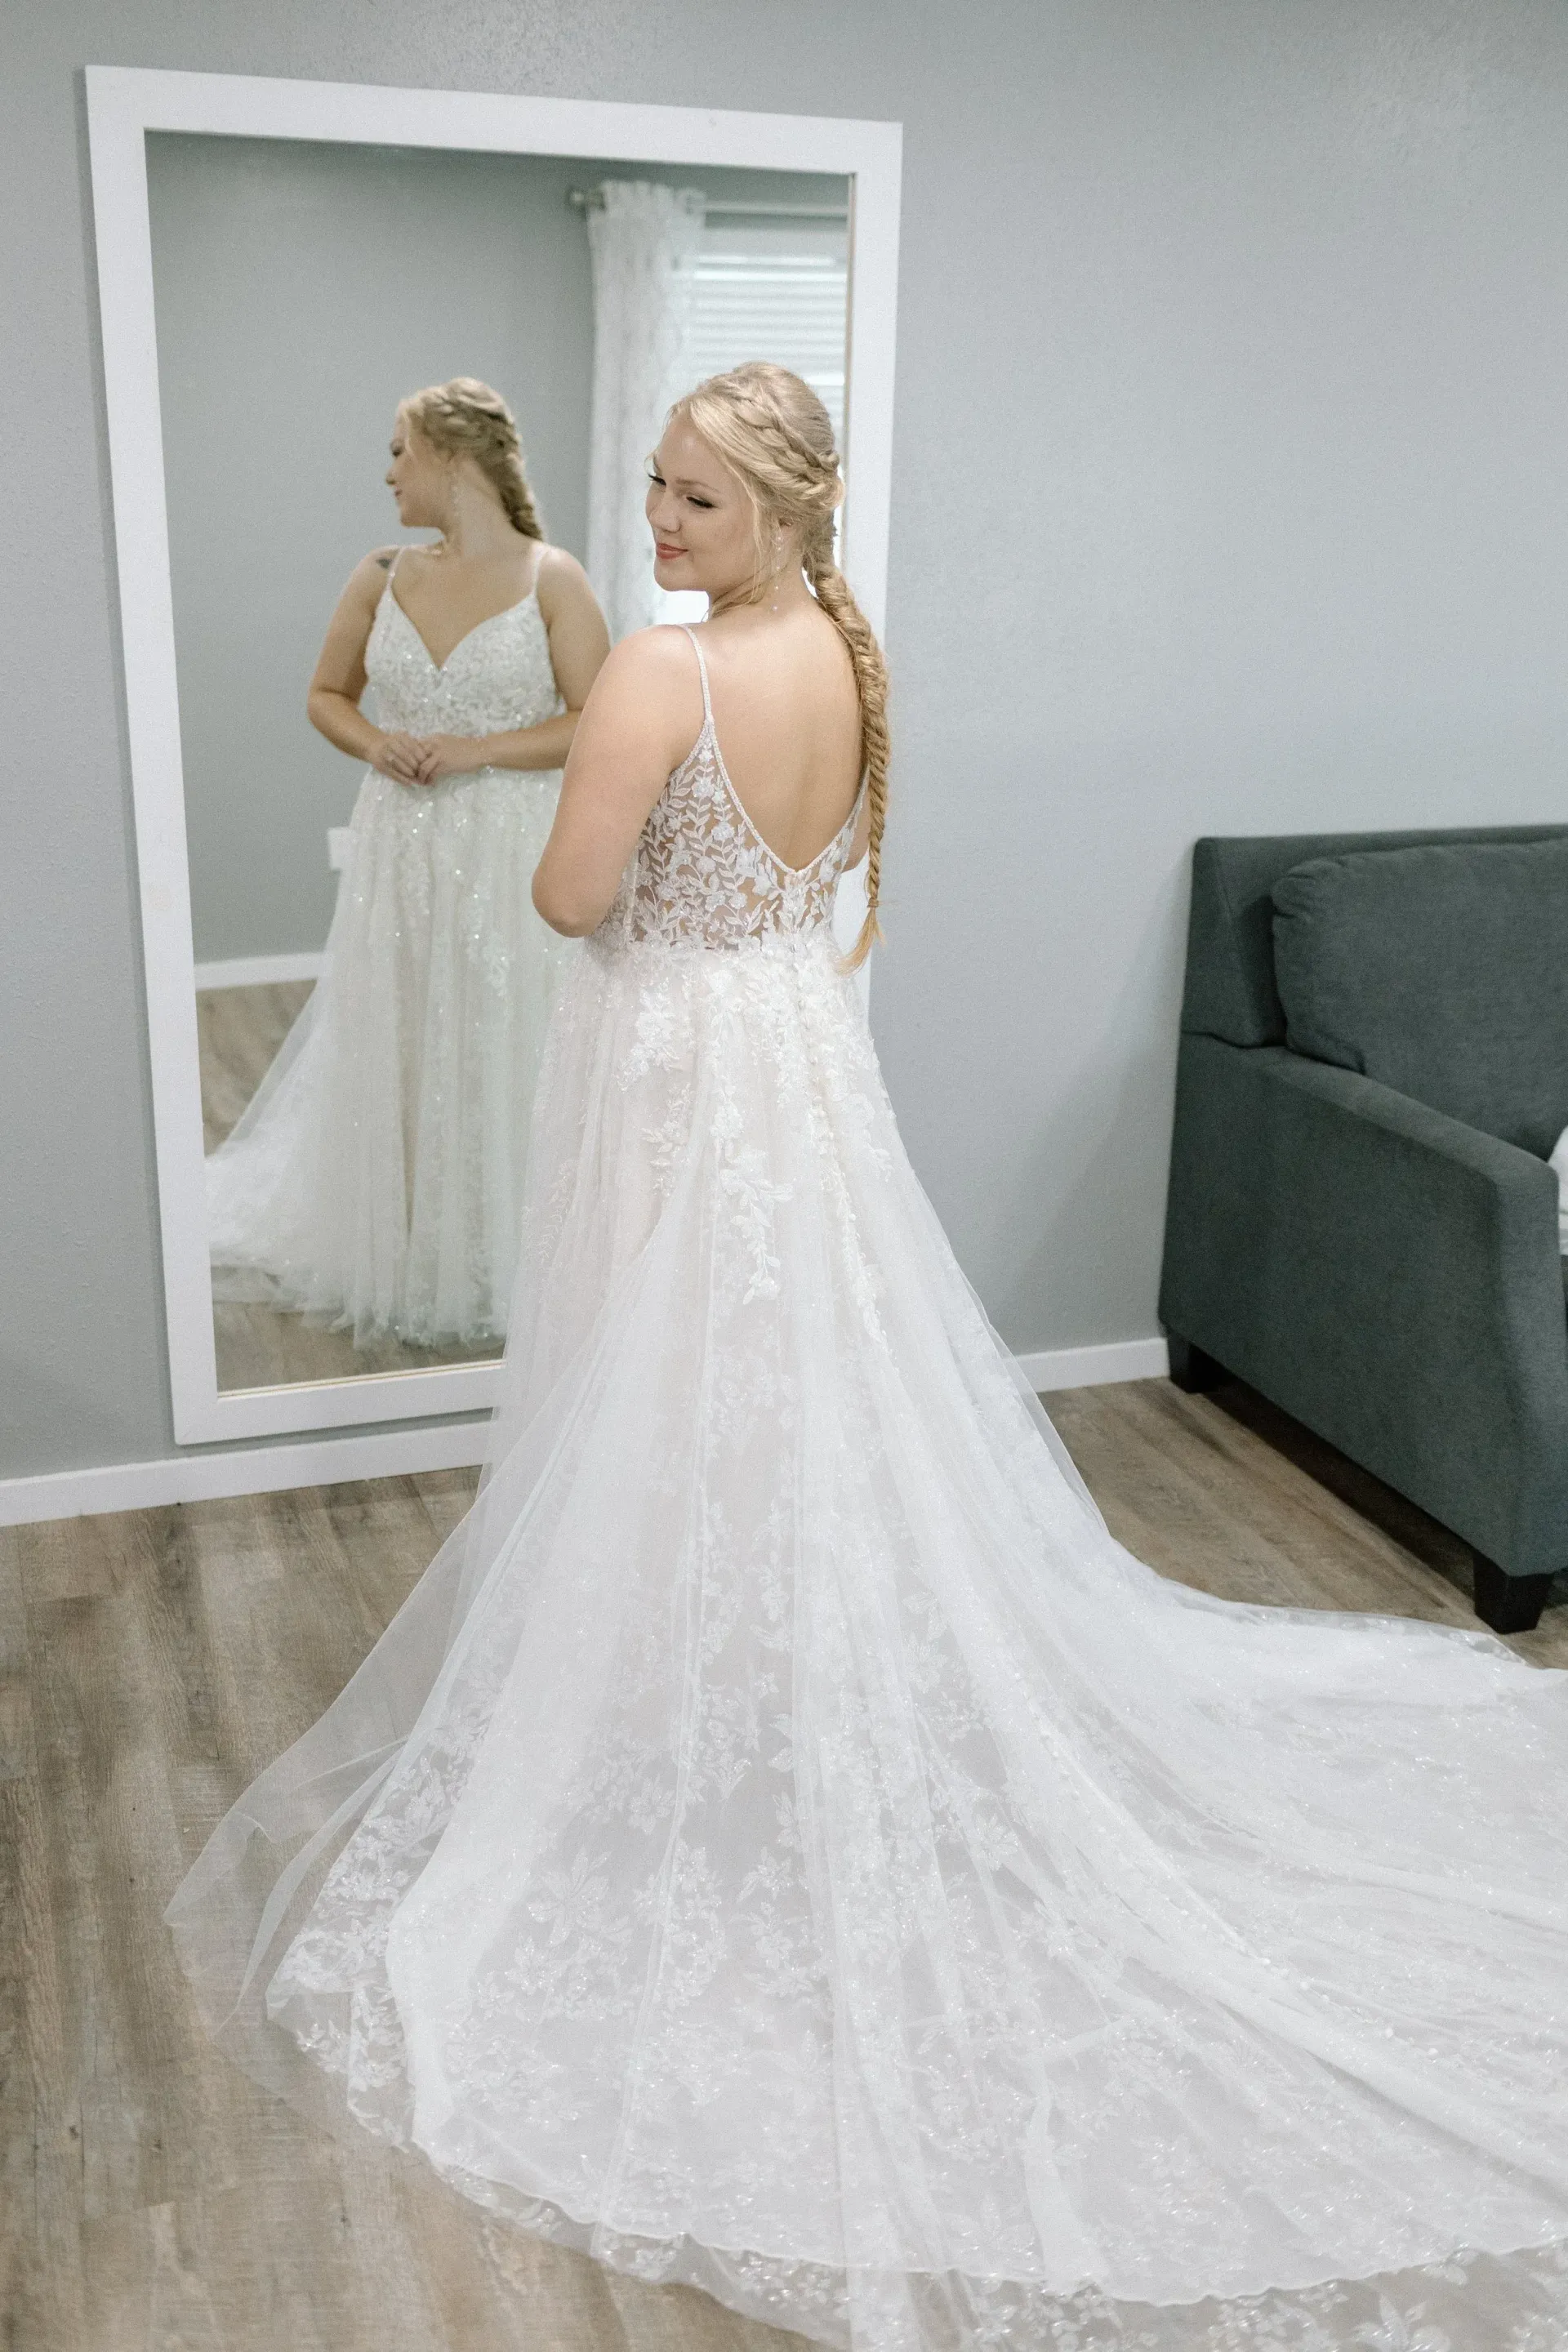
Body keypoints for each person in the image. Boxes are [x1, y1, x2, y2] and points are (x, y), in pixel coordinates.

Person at [168, 365, 1568, 2352]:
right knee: (784, 1392)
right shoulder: (838, 642)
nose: (655, 521)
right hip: (791, 1061)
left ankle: (672, 1727)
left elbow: (575, 897)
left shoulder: (664, 679)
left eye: (696, 502)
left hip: (673, 1060)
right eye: (652, 487)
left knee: (660, 1394)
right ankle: (756, 1689)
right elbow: (791, 876)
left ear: (781, 514)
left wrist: (586, 828)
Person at [206, 376, 610, 1349]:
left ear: (450, 457)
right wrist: (376, 743)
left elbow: (598, 724)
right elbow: (326, 694)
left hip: (509, 841)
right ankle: (407, 1232)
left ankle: (514, 1241)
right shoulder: (379, 574)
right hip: (403, 843)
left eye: (399, 450)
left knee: (509, 1032)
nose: (387, 472)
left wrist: (473, 751)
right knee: (404, 1027)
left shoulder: (554, 578)